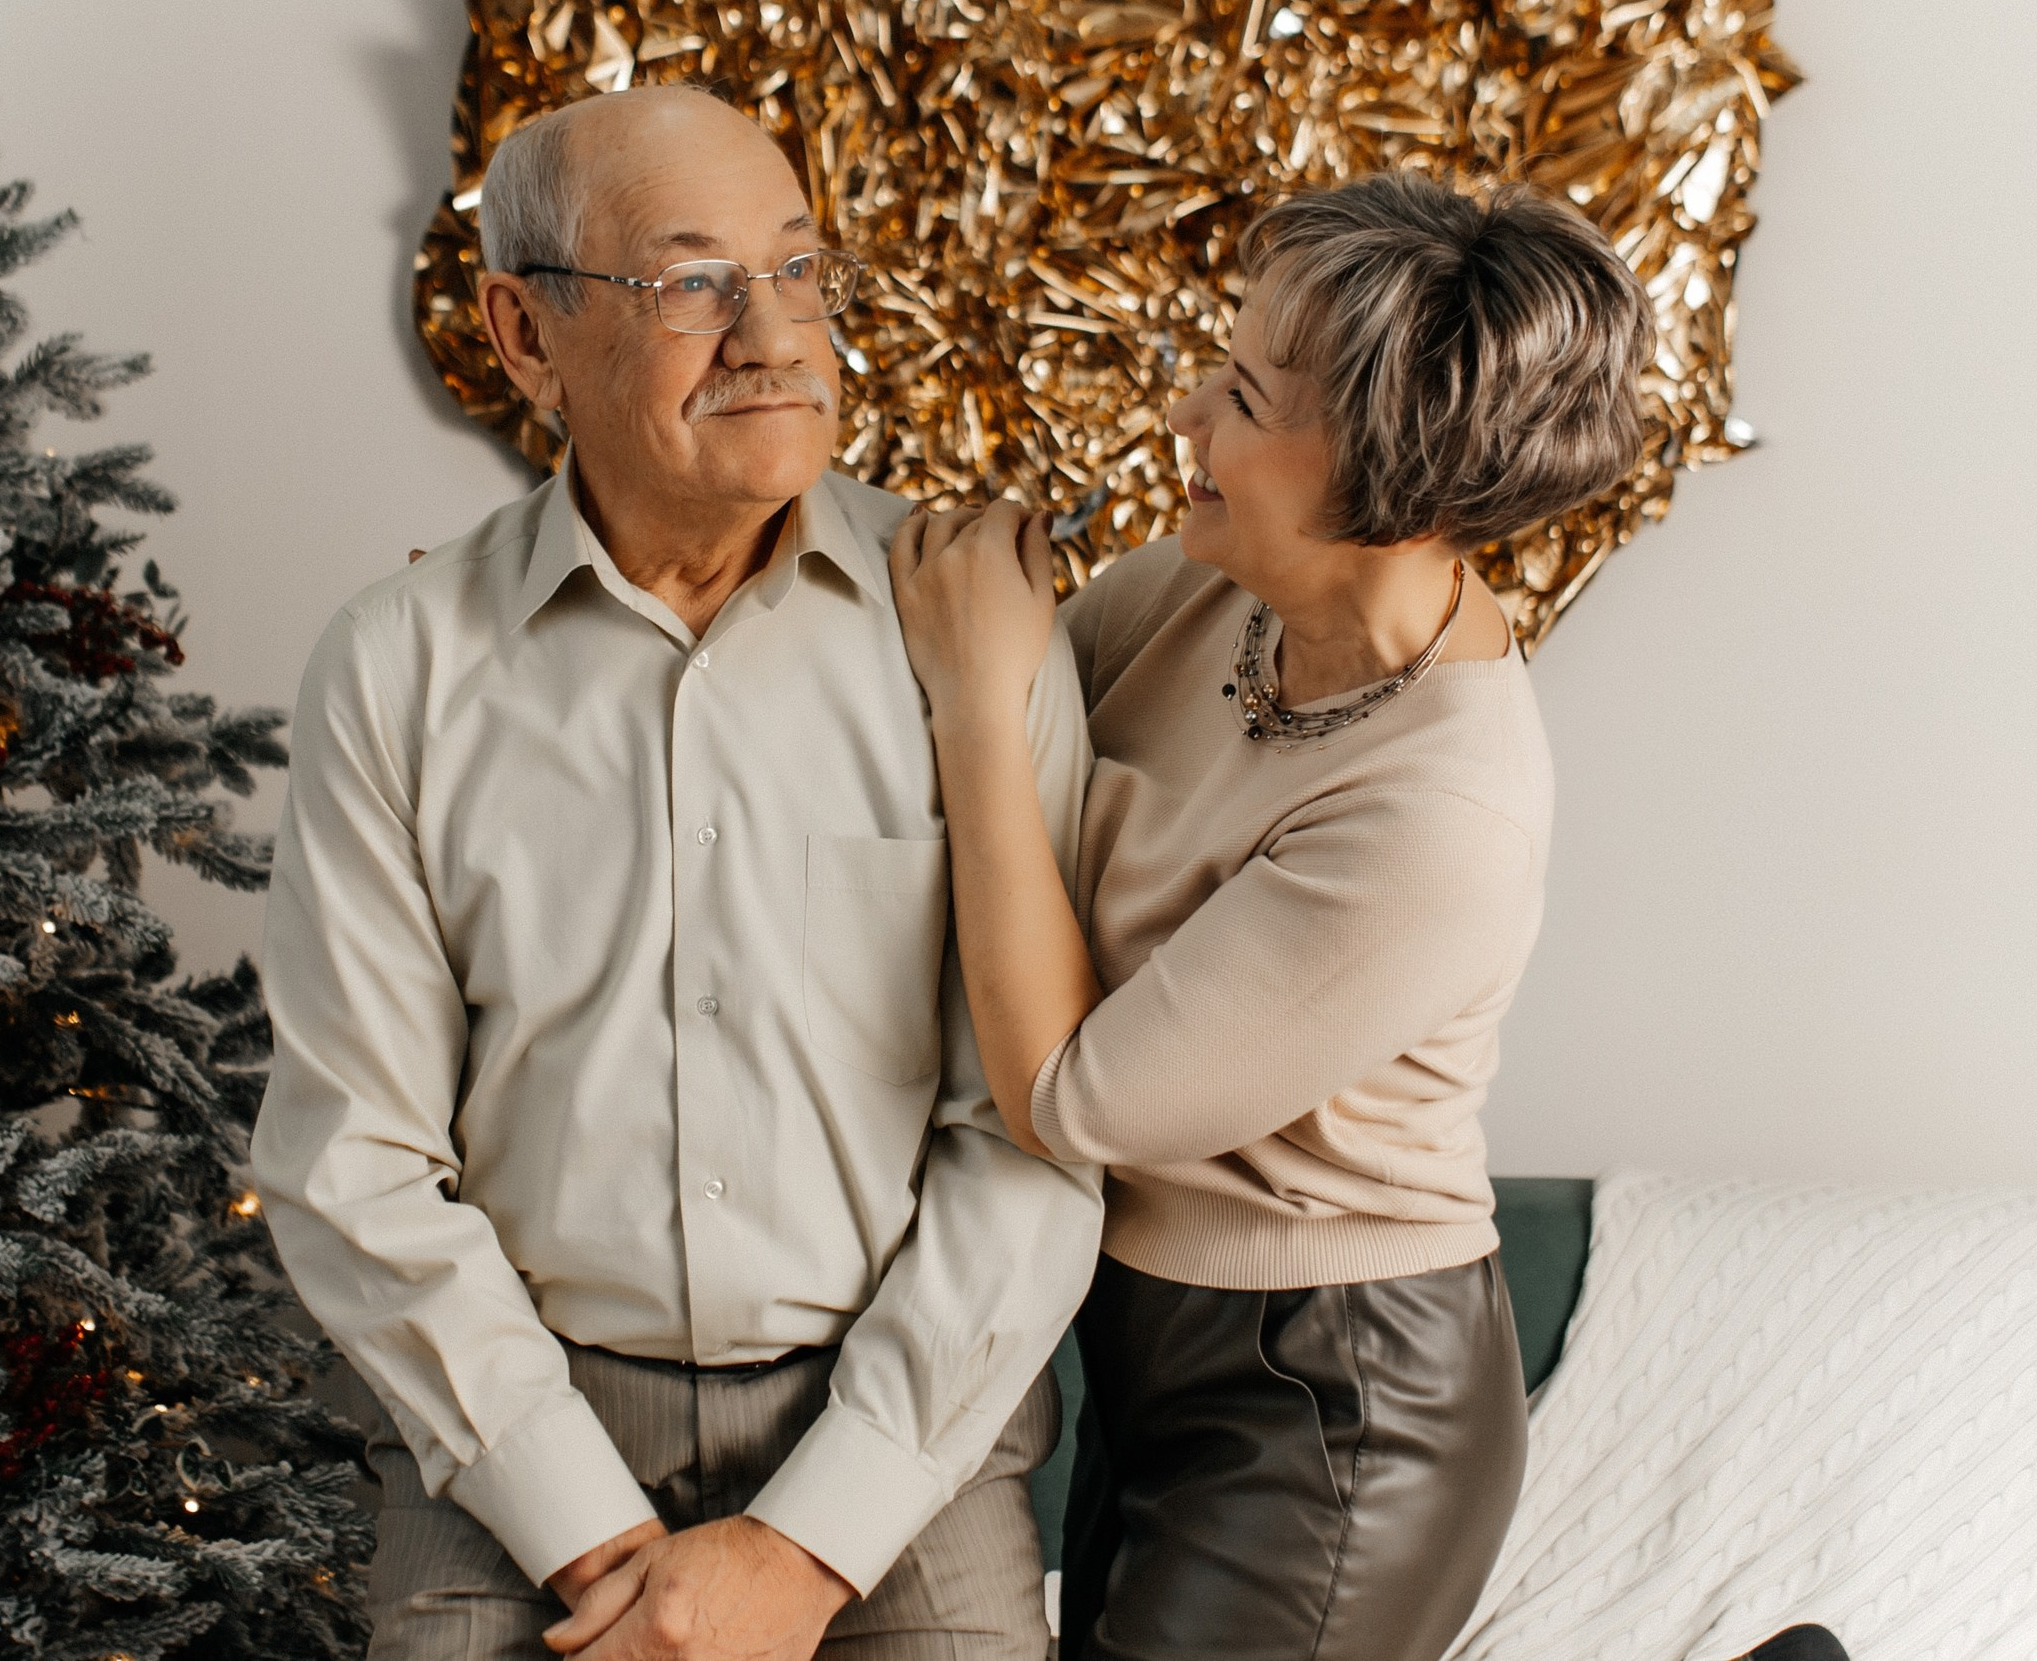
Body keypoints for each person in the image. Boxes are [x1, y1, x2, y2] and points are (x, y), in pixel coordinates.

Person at [249, 85, 1103, 1661]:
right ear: (522, 332)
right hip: (519, 1421)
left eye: (797, 270)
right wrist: (596, 1542)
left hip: (903, 1429)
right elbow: (350, 1157)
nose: (773, 335)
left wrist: (802, 1547)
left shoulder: (976, 634)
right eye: (692, 282)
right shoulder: (398, 666)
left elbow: (1032, 1138)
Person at [886, 172, 1655, 1661]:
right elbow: (931, 712)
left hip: (1333, 1397)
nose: (1186, 412)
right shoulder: (1201, 593)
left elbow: (1071, 1092)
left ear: (1387, 474)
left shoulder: (1443, 811)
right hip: (1148, 1343)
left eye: (1242, 394)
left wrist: (986, 710)